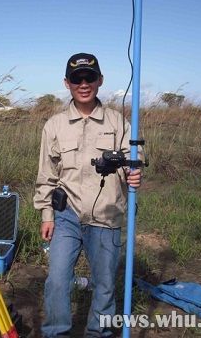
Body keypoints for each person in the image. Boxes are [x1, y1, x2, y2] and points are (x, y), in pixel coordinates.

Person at [33, 53, 143, 337]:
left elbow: (135, 156)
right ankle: (56, 332)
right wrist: (47, 215)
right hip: (66, 214)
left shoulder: (118, 123)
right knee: (57, 281)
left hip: (106, 215)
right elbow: (47, 175)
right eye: (77, 79)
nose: (84, 84)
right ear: (67, 83)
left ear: (100, 80)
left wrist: (133, 171)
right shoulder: (54, 125)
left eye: (89, 77)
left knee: (105, 284)